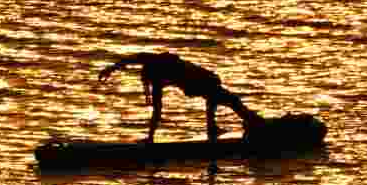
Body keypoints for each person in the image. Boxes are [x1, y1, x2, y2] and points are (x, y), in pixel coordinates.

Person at [97, 52, 266, 148]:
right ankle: (215, 127)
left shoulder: (155, 66)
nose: (149, 87)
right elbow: (129, 60)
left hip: (206, 80)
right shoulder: (155, 70)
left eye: (148, 83)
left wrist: (149, 138)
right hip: (200, 83)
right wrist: (110, 69)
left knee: (231, 102)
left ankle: (257, 125)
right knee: (221, 100)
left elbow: (157, 110)